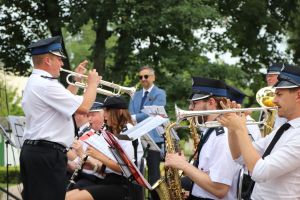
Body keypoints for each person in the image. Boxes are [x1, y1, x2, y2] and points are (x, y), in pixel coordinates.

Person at [20, 36, 100, 200]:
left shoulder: (39, 82)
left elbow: (66, 104)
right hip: (46, 154)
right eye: (59, 59)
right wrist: (92, 85)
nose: (62, 64)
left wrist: (76, 82)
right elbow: (84, 108)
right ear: (48, 60)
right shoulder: (45, 85)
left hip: (39, 152)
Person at [218, 64, 300, 199]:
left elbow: (259, 172)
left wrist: (240, 128)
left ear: (298, 95)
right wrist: (232, 129)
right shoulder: (284, 129)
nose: (274, 100)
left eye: (279, 94)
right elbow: (239, 157)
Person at [165, 77, 239, 200]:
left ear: (211, 103)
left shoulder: (222, 136)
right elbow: (207, 174)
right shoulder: (210, 130)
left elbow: (220, 189)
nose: (190, 108)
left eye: (194, 103)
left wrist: (184, 165)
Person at [65, 95, 139, 200]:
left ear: (119, 112)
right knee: (66, 196)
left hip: (121, 185)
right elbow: (105, 167)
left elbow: (124, 168)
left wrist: (98, 155)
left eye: (107, 111)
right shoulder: (110, 132)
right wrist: (89, 160)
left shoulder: (128, 132)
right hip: (106, 180)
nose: (105, 115)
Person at [129, 65, 166, 199]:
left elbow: (153, 113)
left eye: (146, 76)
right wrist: (132, 117)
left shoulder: (160, 93)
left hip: (153, 139)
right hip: (136, 139)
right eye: (140, 77)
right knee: (135, 172)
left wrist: (134, 118)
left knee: (154, 174)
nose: (143, 79)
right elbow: (130, 112)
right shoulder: (135, 94)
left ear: (153, 77)